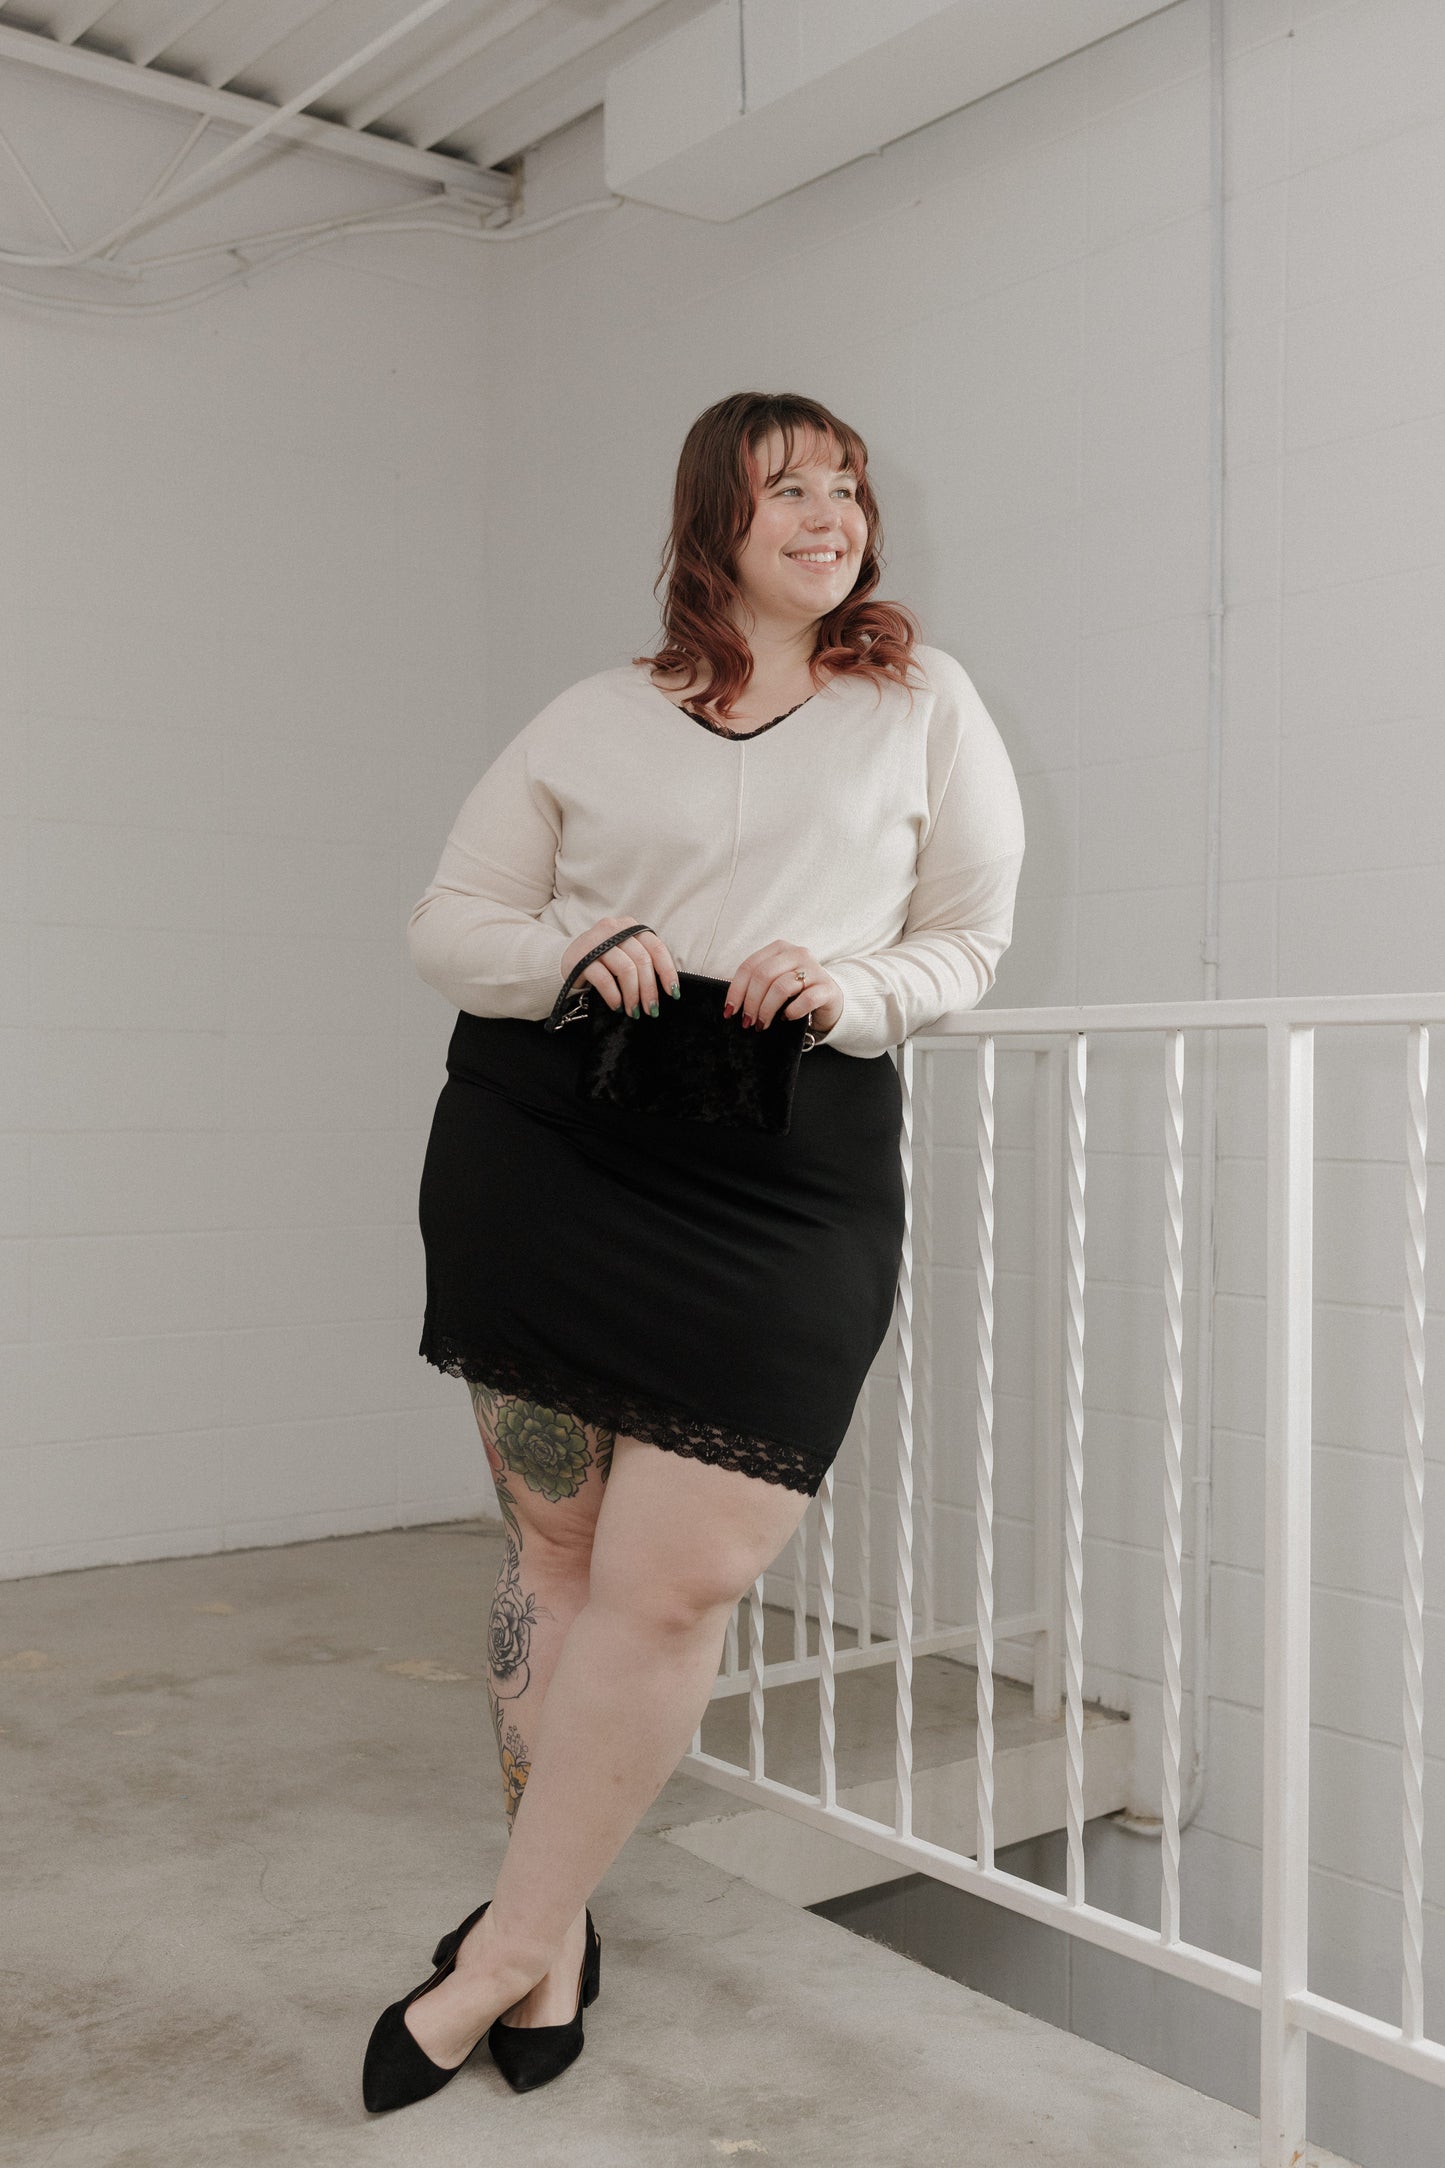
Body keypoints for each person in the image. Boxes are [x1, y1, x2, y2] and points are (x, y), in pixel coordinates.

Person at [363, 391, 1026, 2112]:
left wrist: (865, 986)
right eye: (786, 487)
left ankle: (507, 1940)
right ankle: (552, 1936)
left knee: (682, 1579)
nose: (828, 514)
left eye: (848, 488)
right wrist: (578, 942)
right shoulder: (594, 716)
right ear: (708, 522)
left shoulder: (919, 702)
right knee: (561, 1561)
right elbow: (450, 921)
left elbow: (967, 932)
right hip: (556, 1145)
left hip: (782, 1171)